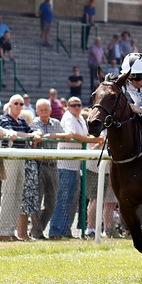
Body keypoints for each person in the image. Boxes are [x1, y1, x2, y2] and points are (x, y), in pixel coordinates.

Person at [50, 96, 103, 239]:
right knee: (64, 197)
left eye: (79, 104)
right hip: (66, 163)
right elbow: (74, 135)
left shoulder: (79, 119)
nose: (77, 107)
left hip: (75, 163)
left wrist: (94, 139)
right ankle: (56, 230)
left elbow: (83, 135)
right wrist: (94, 140)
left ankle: (65, 230)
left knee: (72, 199)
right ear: (68, 107)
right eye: (73, 105)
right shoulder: (68, 117)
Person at [0, 94, 43, 241]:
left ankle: (11, 232)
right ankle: (4, 232)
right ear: (10, 105)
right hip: (10, 158)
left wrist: (34, 134)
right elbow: (14, 133)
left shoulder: (22, 120)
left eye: (21, 104)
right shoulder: (4, 119)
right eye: (16, 103)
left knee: (18, 196)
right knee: (9, 194)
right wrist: (31, 136)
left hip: (21, 158)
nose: (18, 106)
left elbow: (30, 132)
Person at [30, 98, 71, 239]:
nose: (43, 113)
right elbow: (40, 134)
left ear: (50, 111)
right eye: (40, 110)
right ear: (36, 111)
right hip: (40, 165)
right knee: (37, 200)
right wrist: (54, 136)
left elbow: (68, 135)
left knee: (52, 203)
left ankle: (38, 229)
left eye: (46, 110)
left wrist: (54, 135)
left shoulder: (56, 123)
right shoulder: (35, 122)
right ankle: (37, 232)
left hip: (53, 166)